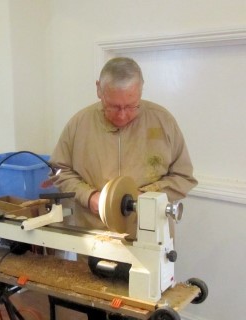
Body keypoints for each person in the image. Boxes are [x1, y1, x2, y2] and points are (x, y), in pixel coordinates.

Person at [50, 57, 197, 319]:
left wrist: (145, 197)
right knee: (97, 307)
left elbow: (184, 176)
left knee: (143, 312)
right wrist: (90, 197)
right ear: (99, 90)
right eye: (113, 106)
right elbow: (59, 171)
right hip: (94, 241)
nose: (122, 115)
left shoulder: (163, 122)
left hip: (148, 243)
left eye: (131, 106)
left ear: (141, 90)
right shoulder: (78, 124)